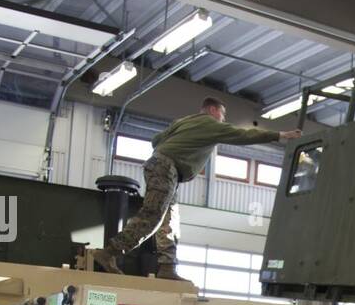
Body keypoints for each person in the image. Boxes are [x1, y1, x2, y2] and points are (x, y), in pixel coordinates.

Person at [95, 97, 302, 279]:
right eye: (222, 114)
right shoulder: (211, 124)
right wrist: (281, 135)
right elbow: (244, 135)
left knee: (170, 222)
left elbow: (156, 140)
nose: (223, 119)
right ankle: (111, 252)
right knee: (154, 216)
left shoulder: (184, 121)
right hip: (166, 168)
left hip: (164, 167)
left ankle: (167, 267)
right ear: (213, 111)